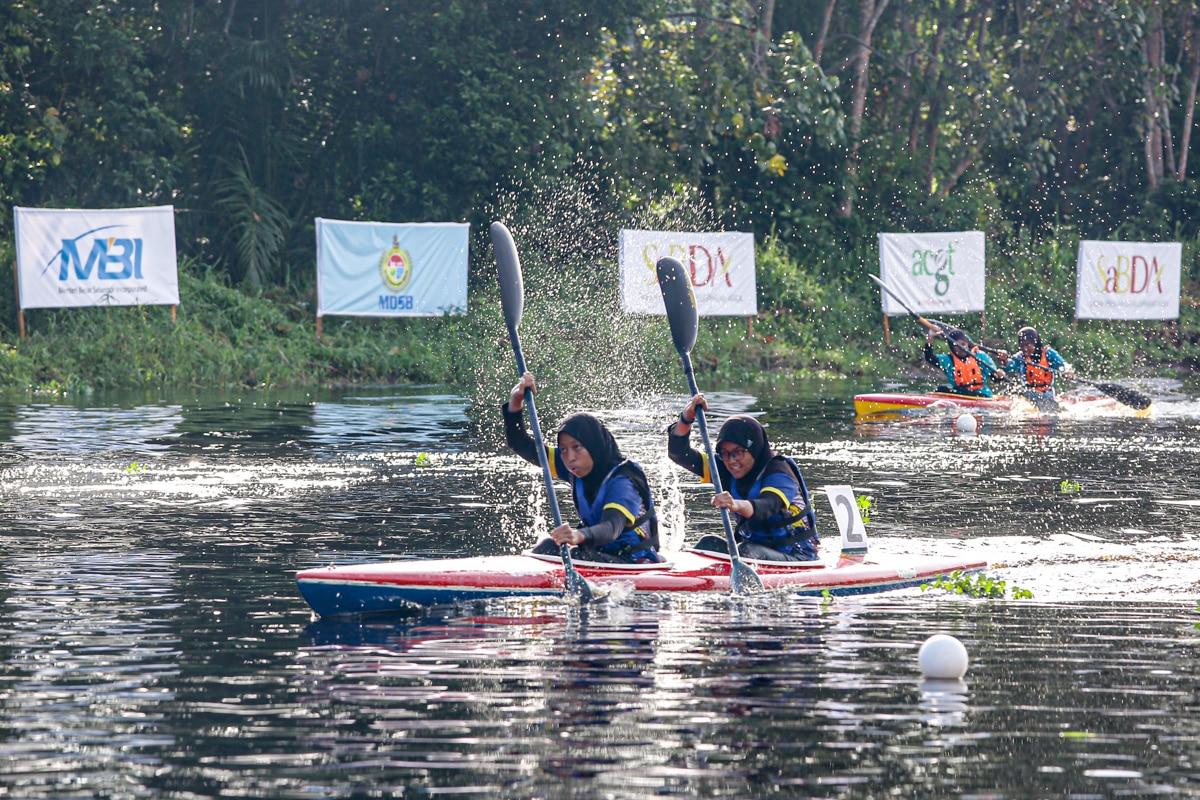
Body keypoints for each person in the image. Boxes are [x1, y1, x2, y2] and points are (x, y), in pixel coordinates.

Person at [503, 372, 662, 564]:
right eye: (563, 450)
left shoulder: (623, 481)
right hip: (600, 555)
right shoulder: (574, 468)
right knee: (547, 546)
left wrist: (578, 535)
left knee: (575, 554)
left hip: (635, 561)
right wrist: (516, 400)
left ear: (592, 446)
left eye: (577, 447)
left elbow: (611, 527)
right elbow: (519, 443)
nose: (569, 457)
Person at [667, 395, 818, 562]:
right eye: (725, 453)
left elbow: (766, 507)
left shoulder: (779, 472)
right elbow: (679, 454)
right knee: (708, 544)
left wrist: (735, 504)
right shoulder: (724, 468)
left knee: (745, 550)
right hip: (752, 552)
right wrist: (687, 417)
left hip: (798, 556)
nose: (731, 461)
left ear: (753, 449)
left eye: (738, 452)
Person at [996, 326, 1074, 409]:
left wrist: (1068, 371)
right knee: (1017, 391)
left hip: (1047, 394)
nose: (1025, 349)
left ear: (1035, 343)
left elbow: (1064, 364)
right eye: (1022, 346)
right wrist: (1004, 361)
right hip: (1028, 393)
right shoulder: (1020, 357)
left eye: (1027, 345)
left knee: (1019, 392)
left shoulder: (1049, 354)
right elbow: (1010, 366)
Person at [924, 328, 1005, 398]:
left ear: (967, 343)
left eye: (963, 344)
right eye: (956, 345)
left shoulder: (980, 356)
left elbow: (994, 379)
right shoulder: (948, 360)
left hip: (981, 394)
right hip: (960, 393)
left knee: (979, 394)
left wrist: (999, 375)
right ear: (952, 348)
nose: (961, 348)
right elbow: (929, 358)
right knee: (941, 389)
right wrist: (930, 338)